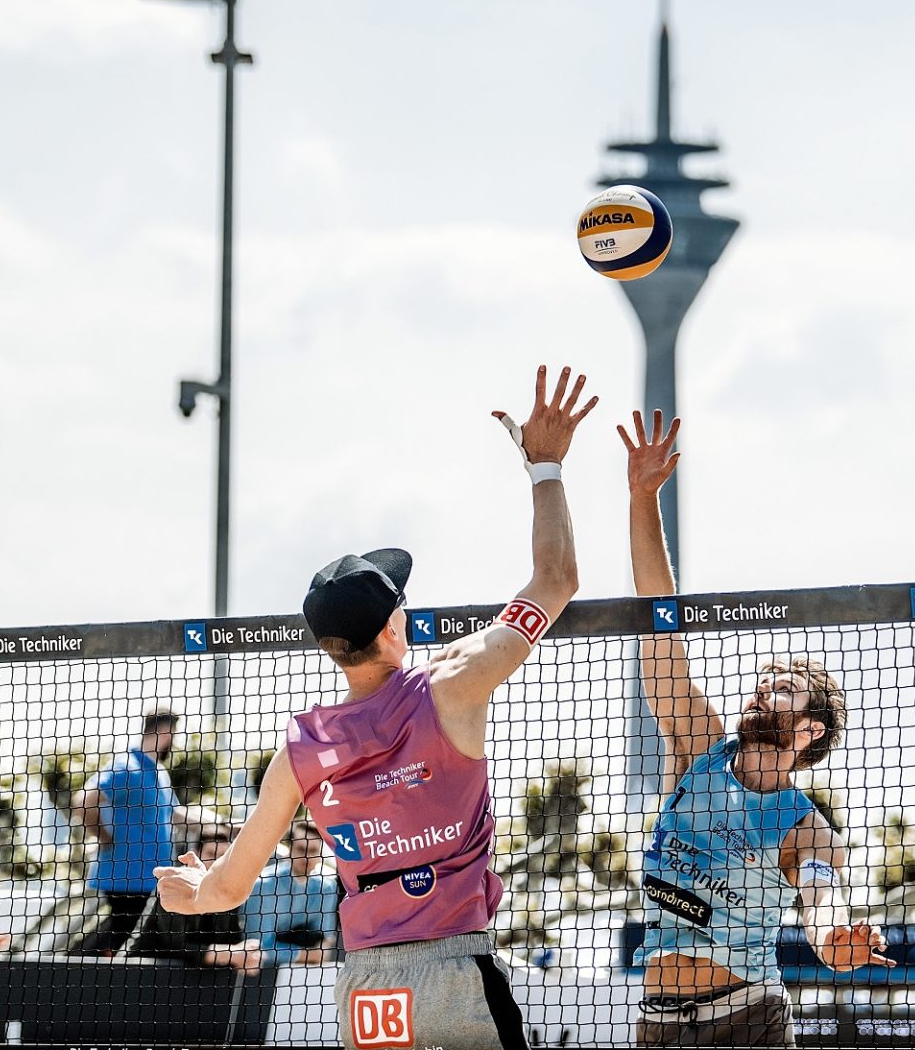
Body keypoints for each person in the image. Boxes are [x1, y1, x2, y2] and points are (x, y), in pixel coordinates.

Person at [158, 364, 600, 1050]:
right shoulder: (452, 683)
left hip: (365, 986)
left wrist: (186, 891)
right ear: (395, 625)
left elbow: (225, 890)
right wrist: (545, 466)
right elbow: (558, 580)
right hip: (455, 968)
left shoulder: (301, 748)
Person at [622, 411, 890, 1048]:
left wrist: (836, 940)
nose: (761, 687)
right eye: (763, 680)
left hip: (746, 1018)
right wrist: (641, 499)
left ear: (808, 731)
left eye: (782, 689)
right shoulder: (696, 749)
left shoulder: (805, 827)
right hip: (658, 1024)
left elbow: (822, 901)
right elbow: (659, 624)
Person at [71, 707, 182, 957]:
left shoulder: (158, 772)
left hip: (150, 878)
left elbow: (176, 813)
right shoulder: (126, 766)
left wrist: (225, 825)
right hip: (126, 877)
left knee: (129, 938)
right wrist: (102, 835)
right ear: (166, 732)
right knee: (121, 936)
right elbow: (83, 801)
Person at [130, 823, 262, 975]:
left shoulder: (227, 892)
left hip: (193, 980)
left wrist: (249, 956)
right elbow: (174, 945)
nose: (216, 862)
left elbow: (233, 940)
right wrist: (231, 954)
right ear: (196, 854)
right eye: (211, 854)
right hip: (139, 972)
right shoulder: (176, 884)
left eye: (223, 857)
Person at [243, 815, 338, 964]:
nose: (307, 857)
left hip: (300, 974)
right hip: (255, 974)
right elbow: (258, 947)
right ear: (289, 849)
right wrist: (308, 956)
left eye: (313, 851)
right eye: (301, 849)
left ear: (320, 855)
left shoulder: (327, 887)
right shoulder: (262, 885)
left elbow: (324, 940)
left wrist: (313, 953)